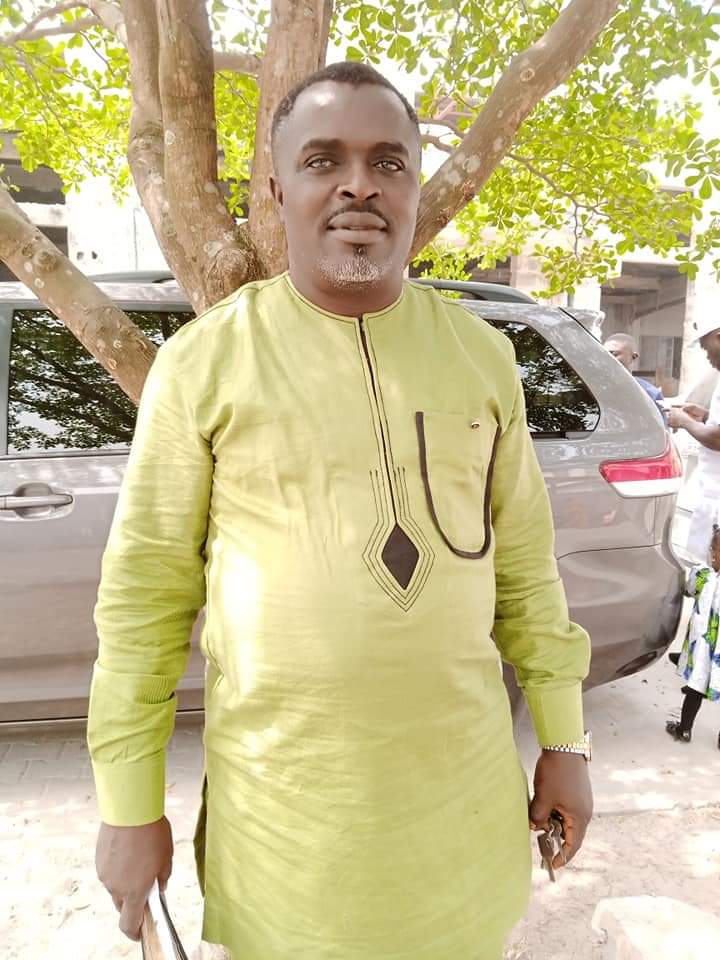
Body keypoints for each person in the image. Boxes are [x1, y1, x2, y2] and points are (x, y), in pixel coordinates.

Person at [88, 62, 592, 960]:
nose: (360, 184)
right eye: (324, 160)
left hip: (461, 836)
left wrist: (567, 744)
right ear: (277, 189)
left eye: (388, 162)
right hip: (285, 845)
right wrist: (129, 808)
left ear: (414, 187)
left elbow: (525, 577)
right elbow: (143, 604)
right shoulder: (203, 365)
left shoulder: (482, 360)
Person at [668, 318, 720, 562]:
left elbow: (718, 438)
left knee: (706, 568)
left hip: (716, 501)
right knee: (702, 564)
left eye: (706, 348)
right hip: (711, 497)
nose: (706, 356)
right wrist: (706, 416)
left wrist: (684, 422)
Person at [666, 523, 720, 748]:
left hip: (704, 651)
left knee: (695, 689)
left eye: (712, 549)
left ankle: (684, 729)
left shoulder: (703, 576)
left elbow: (688, 590)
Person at [604, 333, 665, 409]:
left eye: (614, 354)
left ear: (633, 357)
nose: (607, 358)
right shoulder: (595, 388)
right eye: (604, 354)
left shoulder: (650, 394)